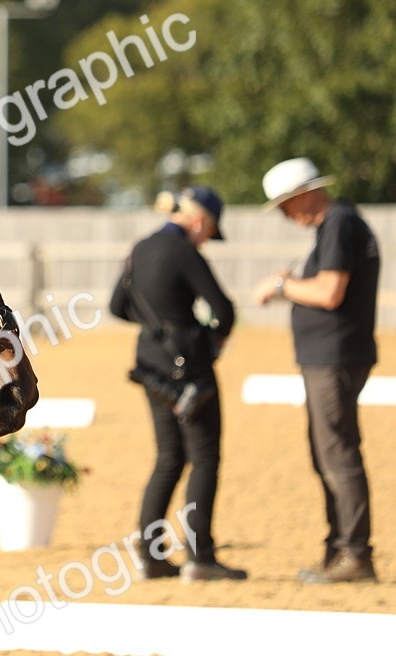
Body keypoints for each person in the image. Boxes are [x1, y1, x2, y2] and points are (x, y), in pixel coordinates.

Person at [252, 158, 380, 583]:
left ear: (305, 195)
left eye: (286, 205)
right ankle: (340, 548)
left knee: (337, 454)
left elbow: (329, 292)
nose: (286, 216)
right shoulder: (338, 225)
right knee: (328, 453)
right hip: (332, 356)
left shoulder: (339, 224)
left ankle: (354, 553)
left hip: (334, 358)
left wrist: (281, 286)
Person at [110, 187, 247, 582]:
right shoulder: (185, 252)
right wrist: (208, 337)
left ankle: (151, 556)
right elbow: (224, 310)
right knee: (204, 458)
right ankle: (200, 557)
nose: (206, 240)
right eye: (209, 232)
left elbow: (117, 307)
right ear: (201, 220)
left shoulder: (140, 248)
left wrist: (155, 326)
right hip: (189, 366)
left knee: (168, 457)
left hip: (150, 363)